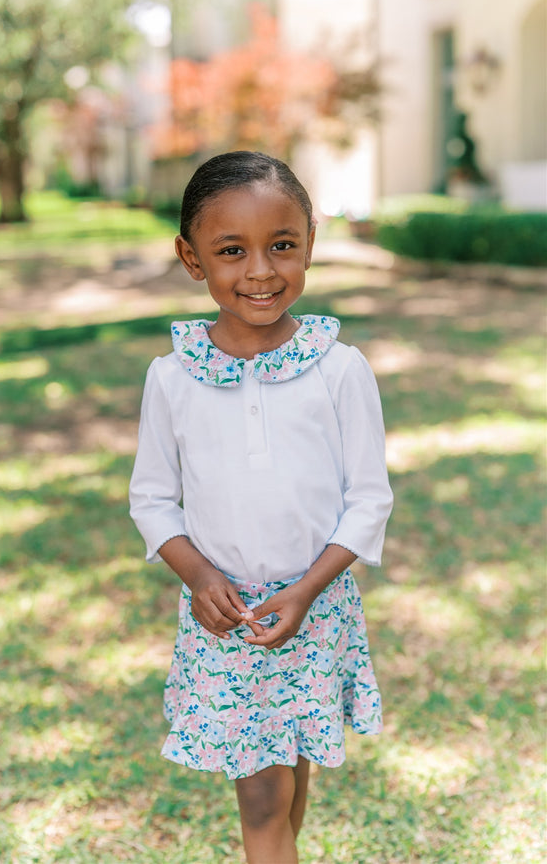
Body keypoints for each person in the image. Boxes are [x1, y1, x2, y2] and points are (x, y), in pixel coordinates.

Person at [129, 151, 393, 864]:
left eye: (283, 246)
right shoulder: (173, 378)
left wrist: (308, 591)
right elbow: (152, 498)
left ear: (310, 242)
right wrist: (197, 576)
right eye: (231, 250)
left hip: (316, 610)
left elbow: (369, 501)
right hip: (230, 623)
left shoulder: (340, 370)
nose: (261, 272)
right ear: (191, 258)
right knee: (262, 802)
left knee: (290, 778)